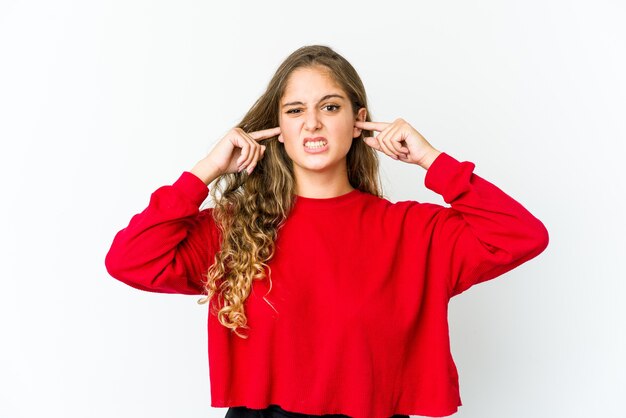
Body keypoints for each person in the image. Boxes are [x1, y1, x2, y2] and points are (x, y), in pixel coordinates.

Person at [105, 45, 549, 418]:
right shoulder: (234, 228)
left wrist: (431, 160)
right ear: (278, 130)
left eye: (330, 107)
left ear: (358, 120)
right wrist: (207, 170)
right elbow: (130, 260)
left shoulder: (412, 230)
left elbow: (522, 235)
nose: (312, 123)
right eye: (295, 110)